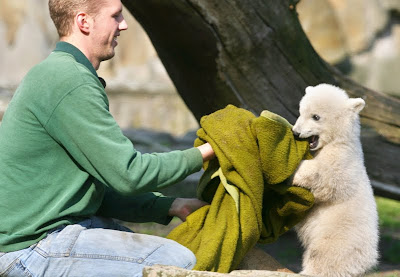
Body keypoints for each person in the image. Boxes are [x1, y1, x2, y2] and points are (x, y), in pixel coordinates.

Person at [0, 0, 215, 276]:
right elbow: (129, 174)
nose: (123, 24)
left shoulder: (62, 73)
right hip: (30, 249)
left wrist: (172, 205)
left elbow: (94, 191)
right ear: (83, 22)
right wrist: (208, 151)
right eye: (115, 16)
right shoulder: (69, 80)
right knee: (178, 261)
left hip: (46, 234)